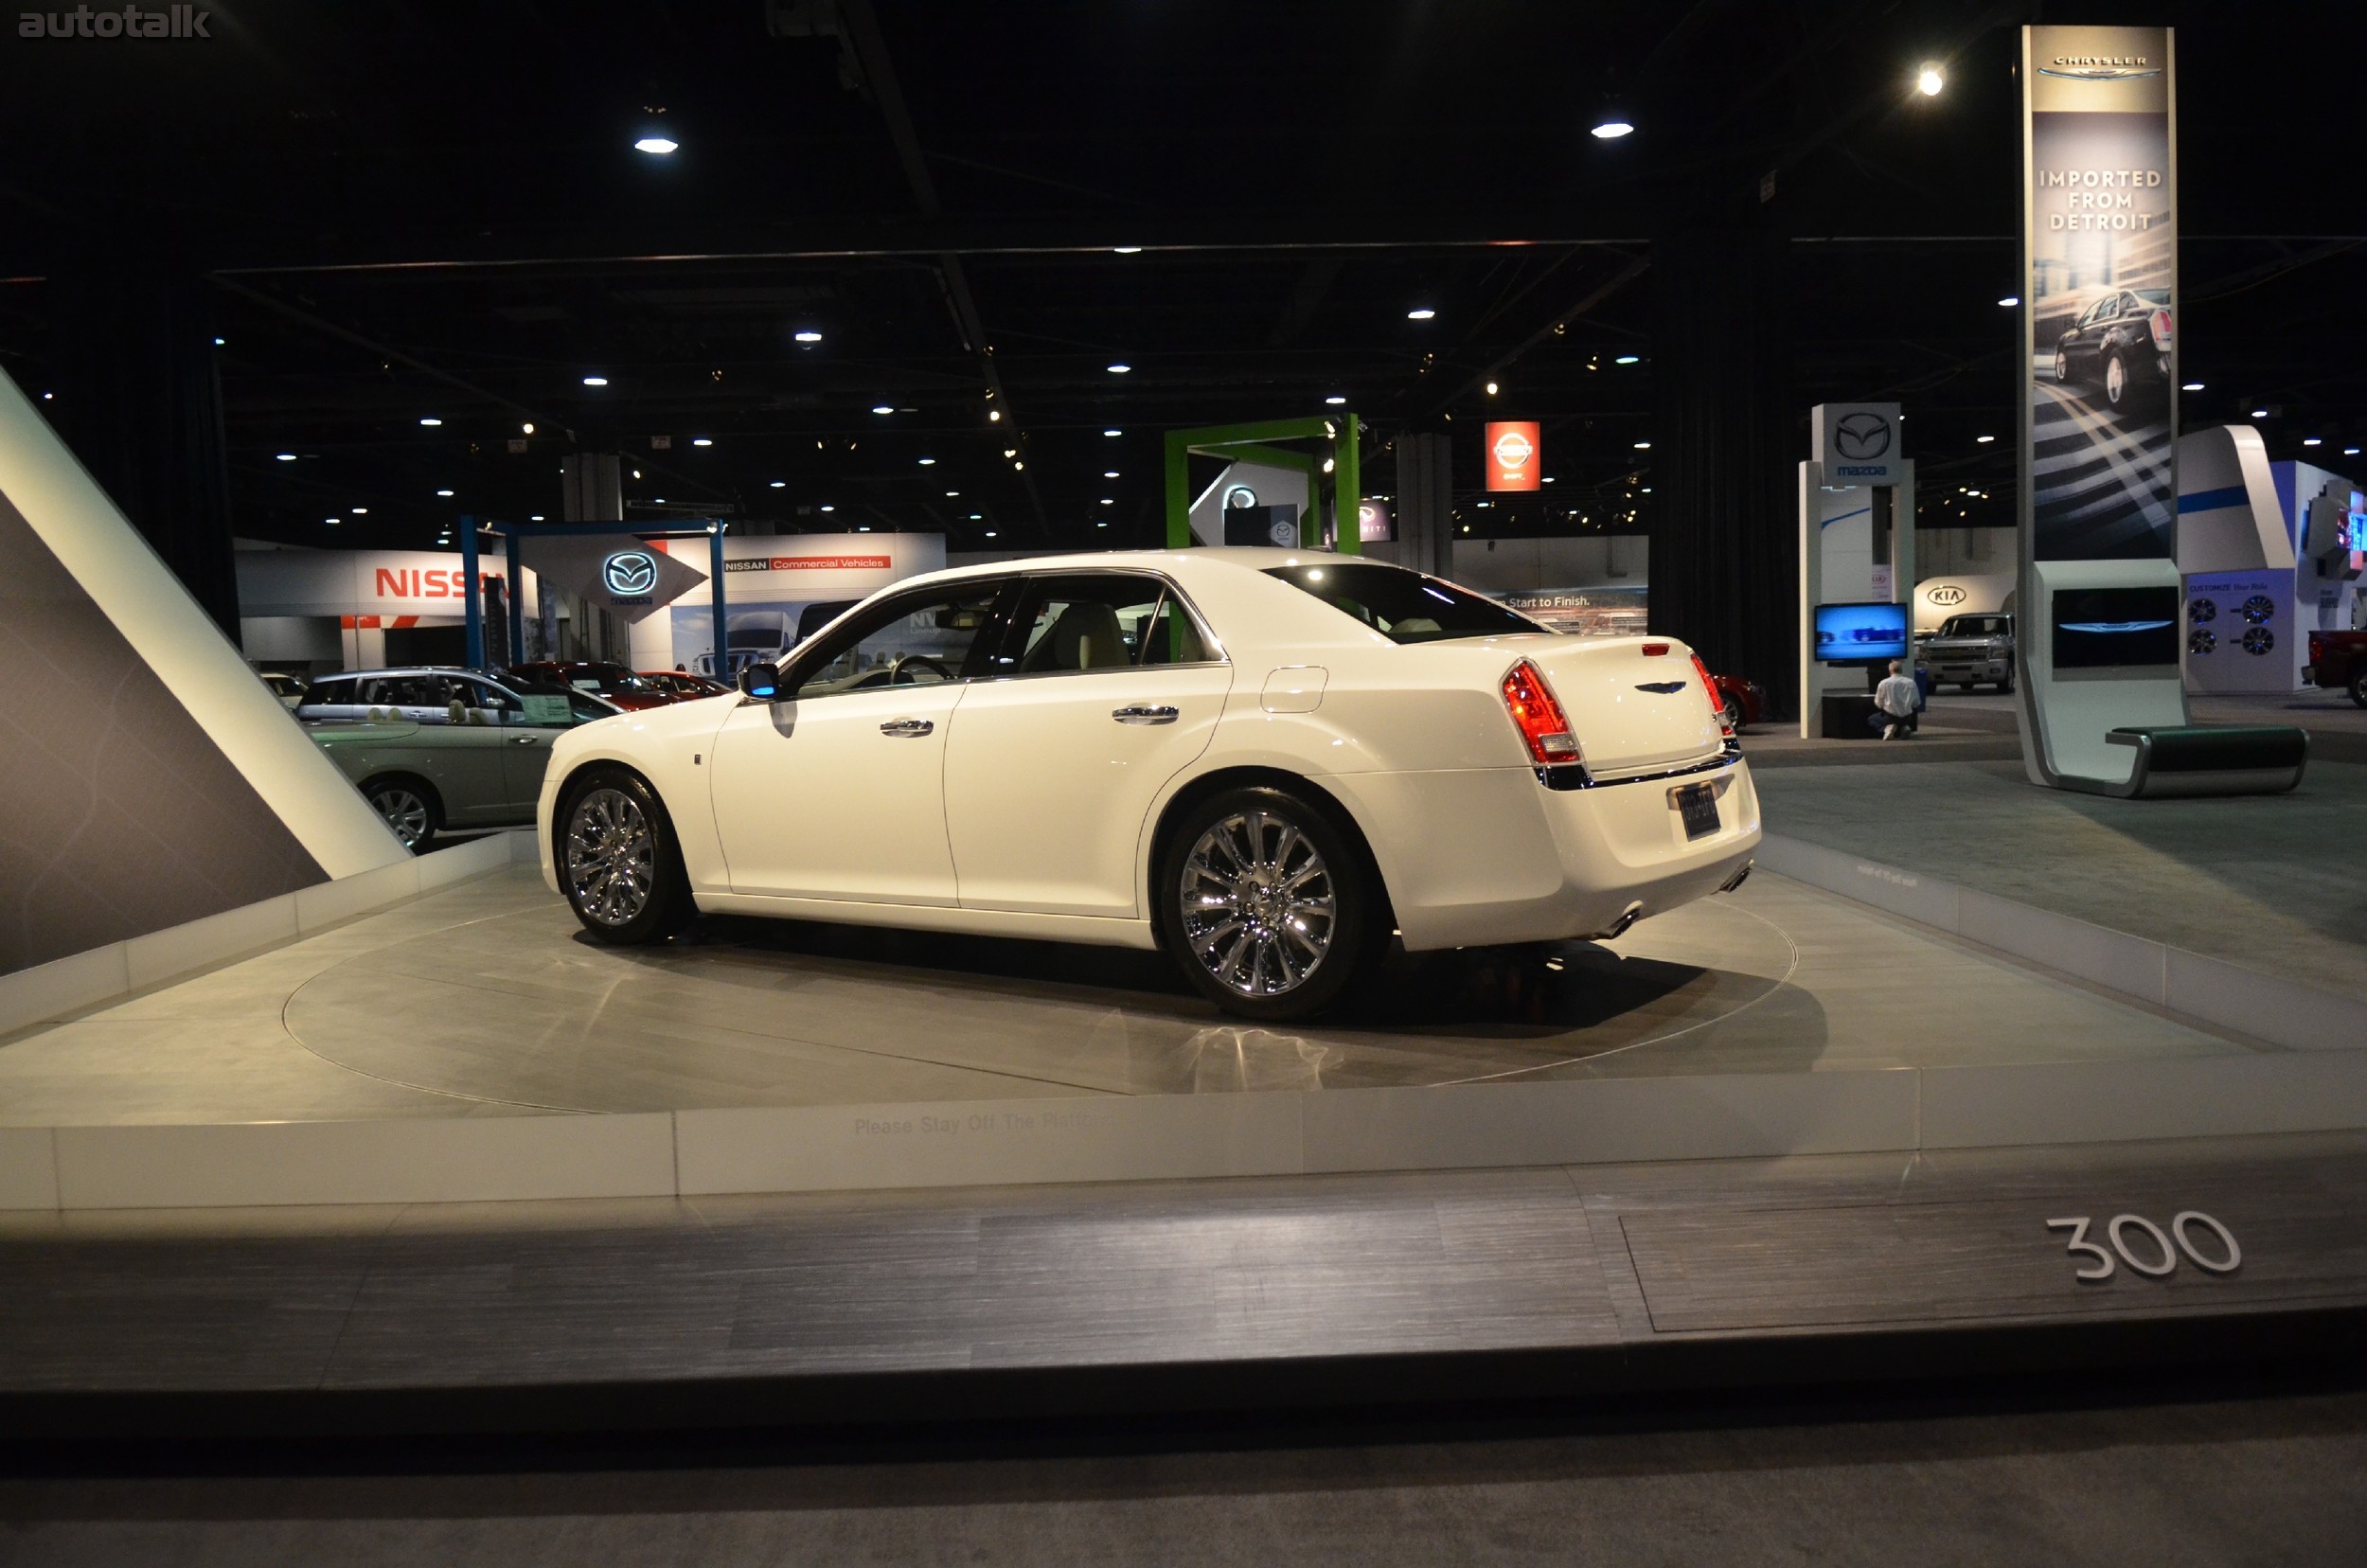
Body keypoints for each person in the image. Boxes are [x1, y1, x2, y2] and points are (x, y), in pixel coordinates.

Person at [1868, 659, 1921, 740]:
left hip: (1890, 716)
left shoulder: (1884, 683)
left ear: (1890, 671)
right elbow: (1916, 703)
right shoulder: (1911, 683)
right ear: (1901, 670)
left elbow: (1878, 703)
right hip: (1907, 717)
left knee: (1872, 719)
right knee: (1904, 719)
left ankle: (1887, 729)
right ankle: (1904, 727)